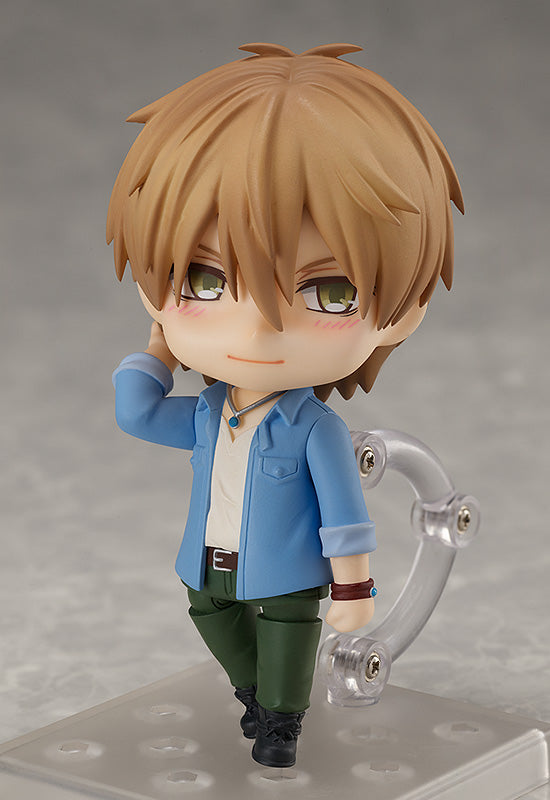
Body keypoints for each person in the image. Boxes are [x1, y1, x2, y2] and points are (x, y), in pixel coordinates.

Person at [108, 42, 463, 768]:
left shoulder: (315, 428)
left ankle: (281, 722)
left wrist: (355, 589)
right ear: (153, 288)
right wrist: (157, 351)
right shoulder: (207, 414)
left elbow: (345, 514)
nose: (256, 332)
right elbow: (139, 414)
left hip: (292, 573)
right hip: (209, 563)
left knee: (288, 639)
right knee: (209, 614)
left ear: (399, 314)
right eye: (205, 281)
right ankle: (252, 692)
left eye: (328, 293)